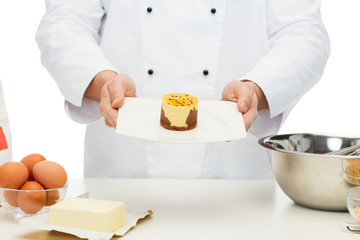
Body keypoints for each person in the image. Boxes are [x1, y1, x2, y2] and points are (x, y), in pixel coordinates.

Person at [36, 0, 330, 178]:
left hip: (233, 181)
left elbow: (304, 34)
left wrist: (256, 89)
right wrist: (103, 82)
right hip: (123, 174)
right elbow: (63, 23)